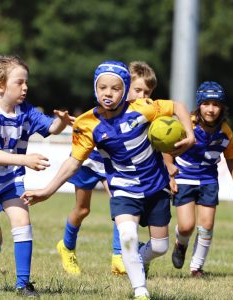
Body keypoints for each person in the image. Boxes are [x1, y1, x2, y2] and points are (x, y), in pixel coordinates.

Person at [21, 60, 195, 300]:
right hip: (123, 188)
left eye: (115, 88)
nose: (108, 93)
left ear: (125, 89)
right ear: (95, 88)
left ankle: (139, 260)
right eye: (102, 88)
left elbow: (178, 107)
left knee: (160, 246)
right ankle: (140, 291)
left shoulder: (142, 108)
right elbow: (73, 162)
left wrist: (191, 135)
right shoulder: (87, 123)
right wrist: (47, 190)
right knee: (127, 236)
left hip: (156, 186)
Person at [0, 54, 71, 297]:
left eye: (26, 82)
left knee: (23, 223)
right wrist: (25, 160)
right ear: (0, 86)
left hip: (10, 180)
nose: (25, 87)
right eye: (19, 82)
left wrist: (61, 123)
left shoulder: (25, 110)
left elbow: (50, 128)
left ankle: (23, 284)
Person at [56, 61, 158, 276]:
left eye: (146, 92)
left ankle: (118, 257)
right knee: (82, 209)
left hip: (114, 166)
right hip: (89, 161)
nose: (142, 96)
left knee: (121, 204)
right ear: (126, 86)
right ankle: (67, 246)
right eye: (137, 90)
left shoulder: (142, 113)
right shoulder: (103, 111)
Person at [165, 81, 233, 277]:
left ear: (222, 107)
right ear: (199, 104)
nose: (211, 109)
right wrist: (170, 173)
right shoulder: (187, 124)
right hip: (184, 177)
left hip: (208, 180)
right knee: (186, 226)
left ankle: (196, 268)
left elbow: (231, 159)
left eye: (216, 104)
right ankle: (180, 244)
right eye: (206, 103)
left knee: (207, 225)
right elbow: (168, 148)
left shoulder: (225, 131)